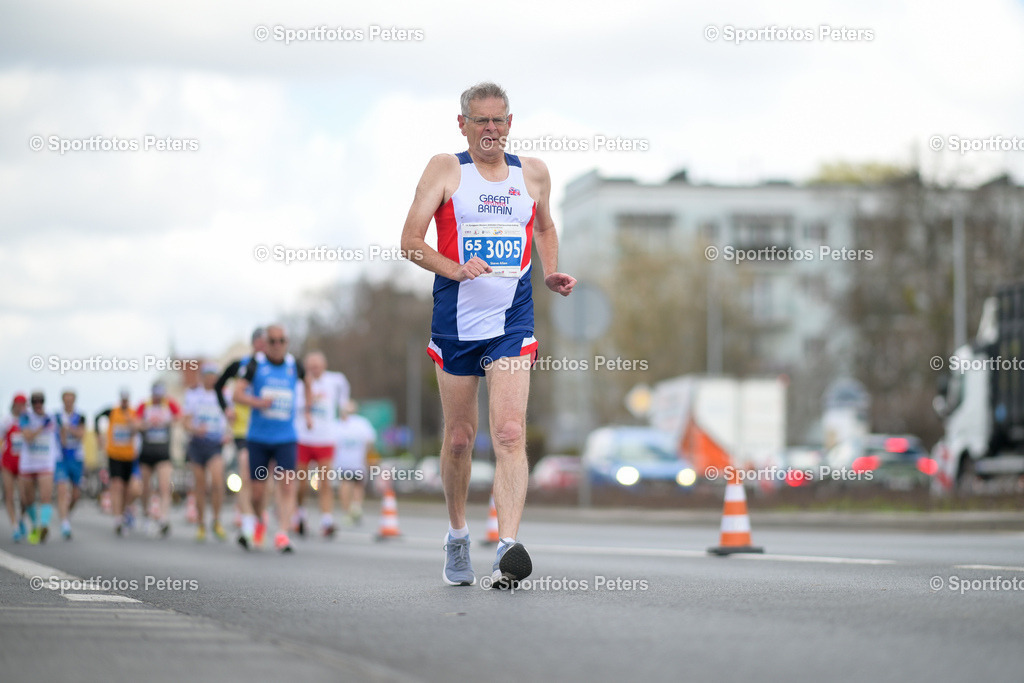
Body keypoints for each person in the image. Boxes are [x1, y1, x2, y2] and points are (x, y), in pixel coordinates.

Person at [400, 82, 576, 587]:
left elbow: (543, 228)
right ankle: (457, 535)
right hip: (456, 320)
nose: (491, 131)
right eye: (481, 121)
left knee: (509, 432)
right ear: (463, 124)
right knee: (459, 439)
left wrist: (549, 271)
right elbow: (410, 242)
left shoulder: (534, 174)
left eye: (499, 121)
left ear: (511, 123)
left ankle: (507, 548)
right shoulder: (446, 169)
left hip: (512, 321)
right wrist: (454, 269)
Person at [232, 324, 312, 553]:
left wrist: (307, 411)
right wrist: (258, 403)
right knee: (257, 492)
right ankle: (259, 519)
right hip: (258, 437)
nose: (277, 346)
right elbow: (237, 394)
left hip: (286, 437)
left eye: (281, 341)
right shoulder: (254, 364)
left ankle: (283, 534)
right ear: (265, 343)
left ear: (287, 342)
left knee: (287, 485)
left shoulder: (294, 365)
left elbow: (308, 384)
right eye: (272, 341)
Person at [214, 327, 267, 531]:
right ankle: (247, 521)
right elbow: (219, 385)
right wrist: (226, 408)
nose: (265, 347)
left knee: (263, 480)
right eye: (261, 343)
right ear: (254, 344)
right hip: (243, 429)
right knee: (245, 472)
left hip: (268, 430)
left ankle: (259, 516)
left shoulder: (278, 367)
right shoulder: (241, 365)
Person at [294, 351, 350, 537]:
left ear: (324, 366)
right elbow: (295, 406)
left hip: (325, 439)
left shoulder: (336, 380)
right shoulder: (299, 383)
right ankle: (300, 515)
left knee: (325, 482)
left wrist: (343, 410)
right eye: (311, 367)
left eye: (317, 366)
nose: (314, 370)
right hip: (303, 438)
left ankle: (327, 520)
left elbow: (344, 397)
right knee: (301, 482)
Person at [183, 363, 230, 541]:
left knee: (218, 482)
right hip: (197, 444)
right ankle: (201, 523)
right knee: (200, 486)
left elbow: (231, 418)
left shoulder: (224, 395)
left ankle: (217, 520)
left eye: (213, 375)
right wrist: (196, 429)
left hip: (215, 444)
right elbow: (185, 422)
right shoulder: (193, 395)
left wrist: (229, 434)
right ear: (202, 377)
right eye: (207, 375)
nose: (211, 378)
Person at [135, 381, 181, 537]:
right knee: (146, 487)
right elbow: (135, 423)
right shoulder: (144, 405)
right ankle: (146, 514)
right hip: (147, 452)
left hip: (163, 453)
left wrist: (167, 420)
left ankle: (163, 518)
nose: (158, 398)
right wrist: (146, 424)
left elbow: (180, 417)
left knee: (164, 486)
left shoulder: (169, 404)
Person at [95, 389, 140, 536]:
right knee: (117, 485)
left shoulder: (133, 413)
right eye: (123, 400)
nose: (124, 402)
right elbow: (97, 417)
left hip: (129, 456)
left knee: (130, 489)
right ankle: (118, 518)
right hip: (114, 455)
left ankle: (125, 510)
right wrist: (98, 437)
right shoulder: (112, 411)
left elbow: (138, 428)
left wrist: (130, 421)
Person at [19, 391, 59, 544]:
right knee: (28, 499)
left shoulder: (52, 417)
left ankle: (43, 526)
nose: (38, 404)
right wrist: (42, 426)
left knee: (45, 496)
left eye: (40, 401)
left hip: (45, 462)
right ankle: (35, 524)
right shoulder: (26, 417)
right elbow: (27, 437)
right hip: (28, 463)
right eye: (35, 401)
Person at [331, 401, 375, 527]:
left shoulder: (338, 424)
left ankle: (350, 510)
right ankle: (355, 507)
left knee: (348, 484)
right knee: (356, 485)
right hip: (353, 461)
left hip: (346, 462)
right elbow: (370, 441)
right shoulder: (362, 423)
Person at [53, 389, 86, 540]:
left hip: (76, 458)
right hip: (61, 458)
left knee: (75, 495)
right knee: (61, 489)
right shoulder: (57, 416)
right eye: (66, 399)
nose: (68, 402)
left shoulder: (80, 416)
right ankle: (64, 523)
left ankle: (66, 513)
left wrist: (69, 429)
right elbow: (61, 439)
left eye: (71, 399)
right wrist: (64, 431)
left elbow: (81, 434)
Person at [2, 394, 27, 541]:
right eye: (18, 404)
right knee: (9, 495)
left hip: (23, 464)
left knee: (25, 497)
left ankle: (21, 517)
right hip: (8, 462)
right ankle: (14, 526)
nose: (20, 407)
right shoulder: (5, 421)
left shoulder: (28, 421)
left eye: (23, 404)